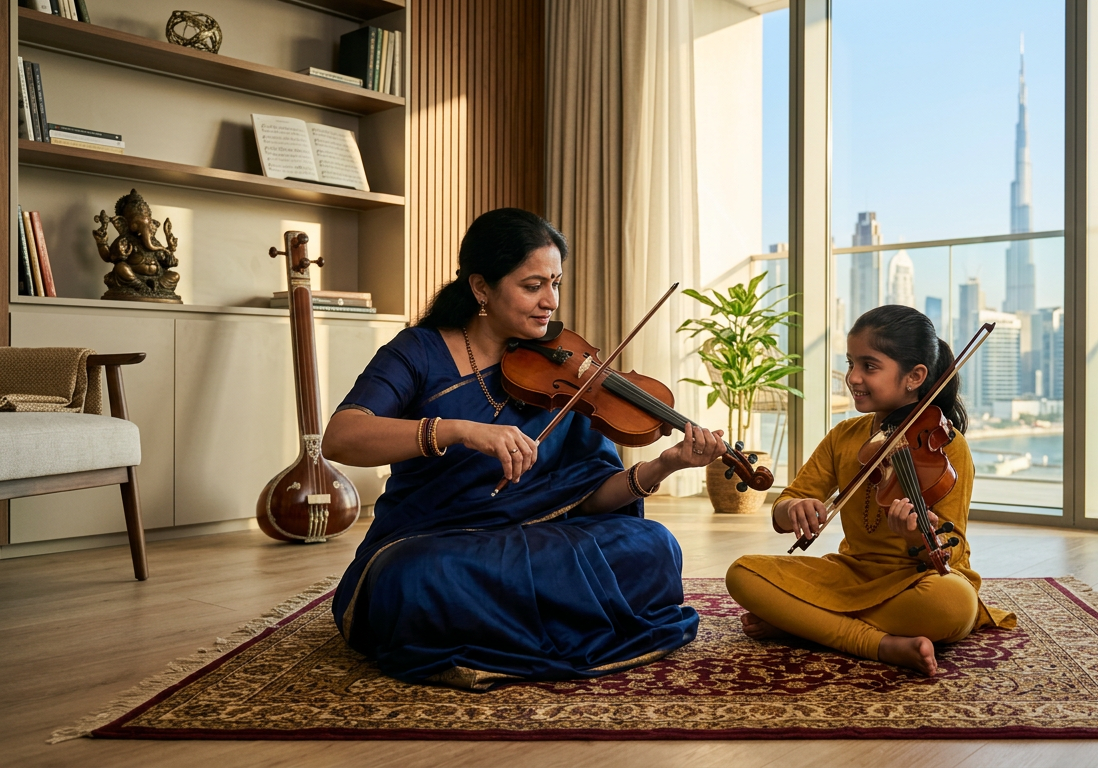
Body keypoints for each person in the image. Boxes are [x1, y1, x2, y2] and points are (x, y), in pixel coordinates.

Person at [324, 208, 726, 690]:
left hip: (543, 535)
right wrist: (458, 430)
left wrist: (666, 463)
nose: (550, 301)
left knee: (653, 545)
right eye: (533, 286)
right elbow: (342, 436)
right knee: (414, 578)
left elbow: (589, 497)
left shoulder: (568, 369)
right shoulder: (418, 351)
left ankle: (493, 632)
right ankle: (555, 621)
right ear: (481, 288)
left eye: (555, 283)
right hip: (440, 539)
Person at [725, 305, 1016, 675]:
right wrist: (794, 508)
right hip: (852, 573)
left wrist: (916, 536)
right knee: (741, 573)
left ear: (915, 376)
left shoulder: (946, 445)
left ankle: (806, 620)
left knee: (954, 604)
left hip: (918, 580)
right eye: (850, 363)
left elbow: (953, 548)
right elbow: (784, 507)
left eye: (869, 366)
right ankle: (877, 643)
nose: (853, 377)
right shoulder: (844, 436)